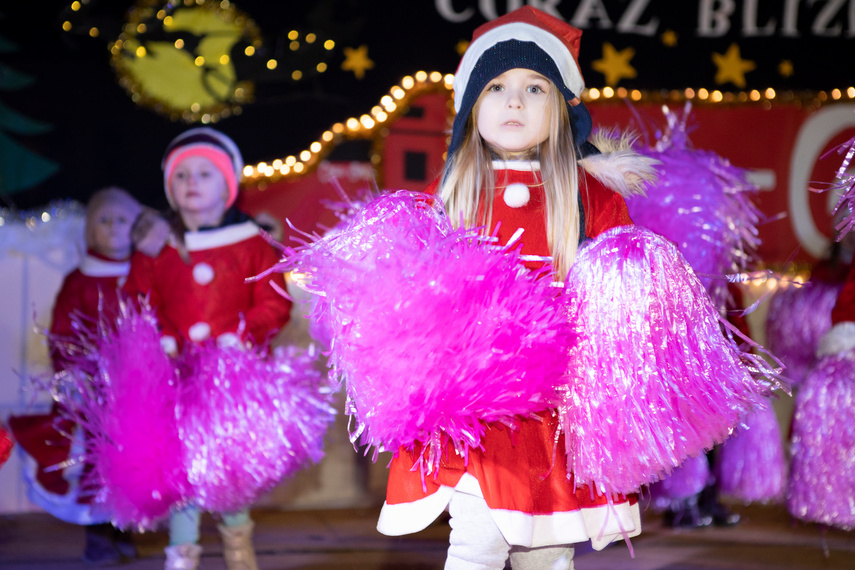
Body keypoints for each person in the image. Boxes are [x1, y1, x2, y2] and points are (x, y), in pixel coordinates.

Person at [375, 7, 656, 568]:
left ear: (562, 109)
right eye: (497, 87)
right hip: (478, 414)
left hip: (557, 413)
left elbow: (624, 299)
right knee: (476, 543)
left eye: (534, 88)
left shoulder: (592, 199)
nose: (515, 103)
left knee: (546, 552)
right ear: (471, 108)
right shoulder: (449, 195)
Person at [122, 127, 293, 570]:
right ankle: (182, 553)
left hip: (232, 380)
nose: (191, 182)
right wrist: (159, 337)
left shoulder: (253, 243)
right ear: (169, 189)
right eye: (181, 176)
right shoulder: (156, 248)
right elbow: (139, 299)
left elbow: (275, 302)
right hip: (175, 378)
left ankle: (238, 546)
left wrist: (243, 333)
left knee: (228, 468)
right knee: (181, 468)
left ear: (228, 186)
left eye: (204, 173)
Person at [8, 187, 142, 564]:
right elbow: (63, 333)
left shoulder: (145, 274)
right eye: (104, 220)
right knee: (96, 461)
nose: (113, 227)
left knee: (132, 458)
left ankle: (123, 527)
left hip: (135, 387)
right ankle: (98, 536)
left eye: (122, 220)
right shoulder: (79, 280)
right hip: (93, 390)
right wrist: (72, 372)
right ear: (90, 231)